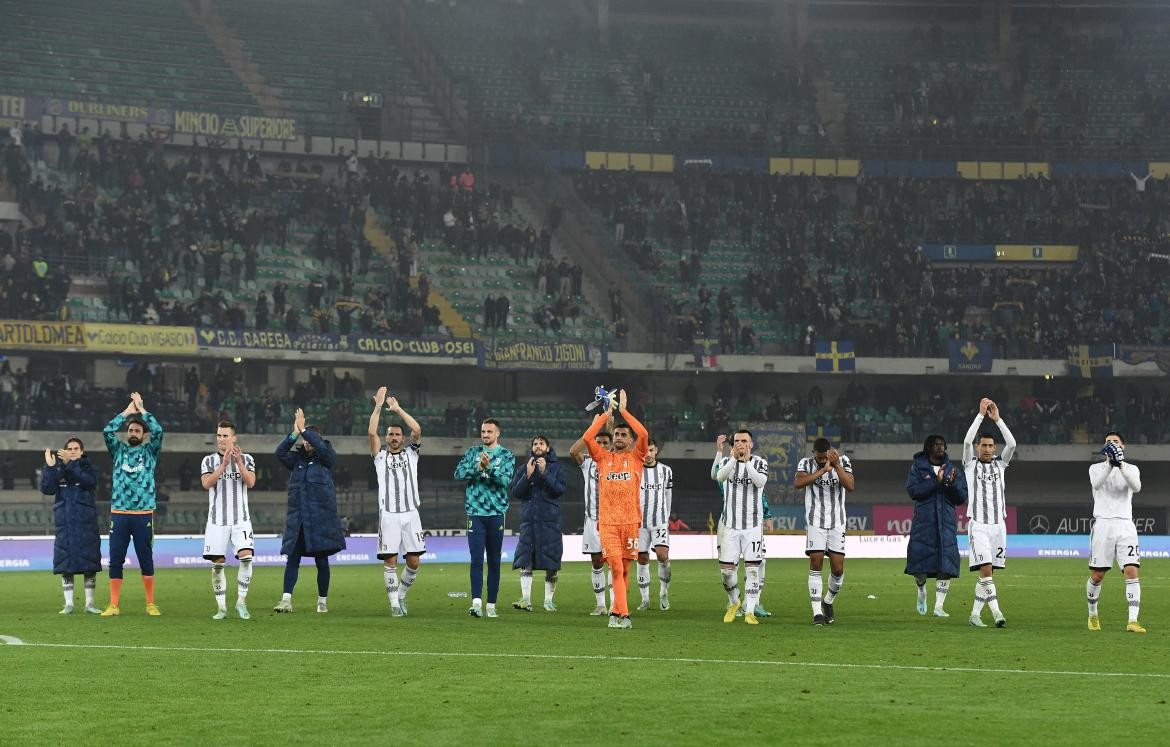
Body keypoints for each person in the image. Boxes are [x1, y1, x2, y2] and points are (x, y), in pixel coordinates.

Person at [582, 389, 648, 629]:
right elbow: (588, 438)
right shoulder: (601, 458)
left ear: (630, 440)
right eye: (617, 433)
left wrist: (624, 412)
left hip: (631, 521)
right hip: (608, 521)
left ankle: (615, 612)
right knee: (616, 567)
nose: (619, 436)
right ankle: (624, 615)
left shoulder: (637, 457)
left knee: (625, 570)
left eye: (623, 434)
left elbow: (644, 433)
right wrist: (605, 414)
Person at [274, 409, 345, 613]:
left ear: (317, 439)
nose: (307, 443)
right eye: (304, 440)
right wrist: (294, 434)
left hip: (320, 521)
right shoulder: (297, 460)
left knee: (321, 561)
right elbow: (279, 453)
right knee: (292, 559)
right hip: (299, 521)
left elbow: (324, 451)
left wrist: (304, 429)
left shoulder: (326, 457)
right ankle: (286, 600)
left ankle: (322, 602)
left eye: (309, 439)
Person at [100, 392, 163, 617]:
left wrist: (142, 410)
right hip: (119, 512)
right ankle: (114, 605)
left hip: (143, 513)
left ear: (144, 434)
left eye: (137, 430)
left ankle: (150, 603)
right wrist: (128, 412)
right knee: (115, 558)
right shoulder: (118, 450)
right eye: (130, 430)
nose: (133, 432)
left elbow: (159, 431)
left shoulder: (150, 451)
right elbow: (107, 431)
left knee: (146, 558)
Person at [367, 387, 425, 617]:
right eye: (390, 434)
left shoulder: (412, 454)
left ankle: (401, 595)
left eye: (397, 435)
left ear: (402, 438)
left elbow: (417, 429)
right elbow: (372, 433)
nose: (393, 438)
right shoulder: (379, 457)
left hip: (411, 513)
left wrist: (398, 409)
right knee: (390, 561)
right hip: (389, 514)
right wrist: (378, 406)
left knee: (414, 562)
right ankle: (393, 604)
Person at [962, 398, 1015, 628]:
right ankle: (997, 613)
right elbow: (965, 441)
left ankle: (974, 614)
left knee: (988, 573)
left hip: (998, 526)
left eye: (990, 446)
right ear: (977, 447)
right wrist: (980, 416)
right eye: (982, 445)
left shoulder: (1000, 465)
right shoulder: (970, 465)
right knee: (986, 570)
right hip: (979, 526)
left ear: (994, 448)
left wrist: (998, 420)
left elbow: (1012, 444)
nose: (986, 449)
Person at [454, 418, 515, 619]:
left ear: (497, 433)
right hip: (475, 513)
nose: (485, 435)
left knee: (495, 561)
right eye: (483, 431)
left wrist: (488, 468)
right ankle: (476, 603)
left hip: (496, 514)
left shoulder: (506, 455)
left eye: (489, 431)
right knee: (477, 560)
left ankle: (491, 604)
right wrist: (477, 468)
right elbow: (458, 473)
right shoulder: (472, 453)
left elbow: (506, 480)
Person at [1088, 432, 1146, 633]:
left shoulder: (1131, 468)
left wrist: (1120, 465)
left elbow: (1136, 487)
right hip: (1103, 524)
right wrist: (1110, 464)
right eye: (1108, 442)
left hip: (1125, 525)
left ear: (1123, 446)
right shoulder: (1095, 468)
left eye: (1115, 442)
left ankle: (1132, 621)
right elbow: (1097, 484)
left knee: (1131, 571)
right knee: (1097, 575)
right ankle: (1093, 613)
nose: (1112, 444)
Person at [905, 434, 968, 617]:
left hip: (946, 523)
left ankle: (939, 606)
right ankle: (921, 590)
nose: (940, 447)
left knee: (946, 564)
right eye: (936, 444)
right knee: (919, 568)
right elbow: (913, 491)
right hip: (923, 523)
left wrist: (949, 485)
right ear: (928, 448)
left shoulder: (952, 470)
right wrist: (935, 482)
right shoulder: (917, 468)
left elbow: (962, 497)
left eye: (942, 444)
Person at [794, 437, 855, 625]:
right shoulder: (805, 463)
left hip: (837, 523)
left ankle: (827, 601)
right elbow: (798, 483)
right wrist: (822, 470)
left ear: (830, 452)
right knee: (816, 561)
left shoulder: (843, 461)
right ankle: (817, 613)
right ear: (814, 453)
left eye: (824, 457)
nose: (821, 460)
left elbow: (850, 486)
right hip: (815, 522)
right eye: (818, 457)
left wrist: (836, 466)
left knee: (838, 569)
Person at [200, 420, 257, 620]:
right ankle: (222, 608)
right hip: (217, 521)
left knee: (246, 558)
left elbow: (250, 482)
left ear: (234, 438)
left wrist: (238, 463)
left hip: (241, 519)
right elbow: (206, 483)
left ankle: (241, 602)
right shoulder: (208, 461)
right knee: (217, 565)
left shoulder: (247, 458)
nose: (221, 439)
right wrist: (223, 465)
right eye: (219, 436)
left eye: (225, 436)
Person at [712, 430, 769, 625]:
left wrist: (746, 463)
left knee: (752, 570)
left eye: (744, 441)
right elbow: (719, 477)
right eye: (737, 441)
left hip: (752, 527)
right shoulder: (728, 463)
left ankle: (750, 611)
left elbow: (760, 481)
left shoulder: (760, 463)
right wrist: (734, 460)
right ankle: (734, 602)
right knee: (727, 573)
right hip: (730, 527)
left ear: (751, 444)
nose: (741, 444)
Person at [41, 438, 101, 614]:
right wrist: (50, 467)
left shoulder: (90, 468)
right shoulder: (59, 469)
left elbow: (89, 482)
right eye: (70, 448)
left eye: (76, 448)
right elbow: (47, 489)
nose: (73, 451)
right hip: (65, 525)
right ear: (64, 450)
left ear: (82, 451)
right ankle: (68, 604)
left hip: (86, 524)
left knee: (89, 564)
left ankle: (89, 604)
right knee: (65, 564)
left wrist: (70, 464)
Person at [510, 435, 566, 612]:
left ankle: (548, 601)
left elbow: (559, 490)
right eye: (535, 444)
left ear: (548, 448)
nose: (538, 446)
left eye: (541, 443)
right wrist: (527, 476)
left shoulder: (557, 468)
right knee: (526, 560)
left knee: (551, 563)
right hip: (529, 523)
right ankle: (525, 599)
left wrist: (544, 473)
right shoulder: (524, 468)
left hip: (550, 523)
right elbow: (516, 493)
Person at [569, 425, 613, 615]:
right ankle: (601, 604)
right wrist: (592, 429)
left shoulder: (617, 461)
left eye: (605, 442)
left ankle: (615, 604)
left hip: (613, 520)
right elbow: (573, 451)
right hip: (592, 520)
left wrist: (610, 423)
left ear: (611, 446)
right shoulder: (587, 463)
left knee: (614, 562)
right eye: (598, 442)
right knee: (597, 562)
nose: (602, 445)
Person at [636, 438, 673, 611]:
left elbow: (668, 496)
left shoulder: (666, 471)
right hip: (639, 523)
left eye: (651, 450)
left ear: (656, 450)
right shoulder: (634, 470)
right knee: (642, 559)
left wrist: (665, 519)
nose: (648, 454)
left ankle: (664, 593)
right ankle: (645, 599)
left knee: (662, 556)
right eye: (645, 451)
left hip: (659, 522)